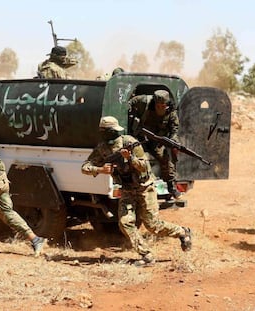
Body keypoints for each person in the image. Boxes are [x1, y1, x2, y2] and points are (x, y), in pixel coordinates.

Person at [81, 116, 192, 266]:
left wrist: (130, 158)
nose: (117, 134)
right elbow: (85, 167)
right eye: (113, 131)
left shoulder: (130, 143)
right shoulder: (102, 149)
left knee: (153, 225)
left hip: (144, 187)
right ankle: (146, 255)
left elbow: (144, 167)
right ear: (105, 132)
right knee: (125, 223)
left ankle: (182, 232)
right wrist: (100, 169)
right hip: (127, 190)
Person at [128, 90, 182, 200]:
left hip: (157, 141)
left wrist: (172, 141)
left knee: (166, 158)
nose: (160, 108)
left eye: (163, 106)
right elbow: (130, 102)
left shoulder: (171, 113)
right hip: (140, 138)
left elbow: (174, 130)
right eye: (158, 105)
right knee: (135, 158)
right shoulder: (144, 101)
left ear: (167, 104)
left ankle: (171, 186)